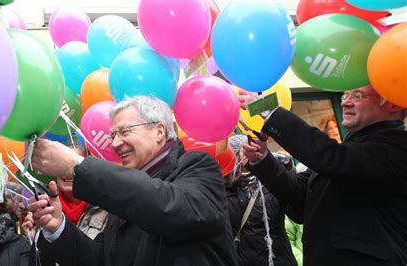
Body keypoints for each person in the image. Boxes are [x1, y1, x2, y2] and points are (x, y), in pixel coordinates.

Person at [27, 96, 238, 265]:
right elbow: (101, 259)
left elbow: (170, 207)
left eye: (125, 131)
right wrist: (58, 227)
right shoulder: (122, 197)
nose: (116, 143)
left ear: (159, 131)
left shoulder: (198, 167)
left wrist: (78, 166)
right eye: (113, 135)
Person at [240, 85, 407, 265]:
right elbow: (299, 200)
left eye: (357, 96)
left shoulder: (397, 147)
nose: (345, 102)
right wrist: (263, 160)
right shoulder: (348, 151)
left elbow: (330, 157)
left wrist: (271, 111)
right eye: (345, 95)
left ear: (392, 105)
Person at [225, 135, 297, 266]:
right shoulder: (226, 188)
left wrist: (281, 167)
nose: (250, 154)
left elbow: (294, 204)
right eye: (245, 151)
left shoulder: (268, 181)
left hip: (280, 259)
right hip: (246, 260)